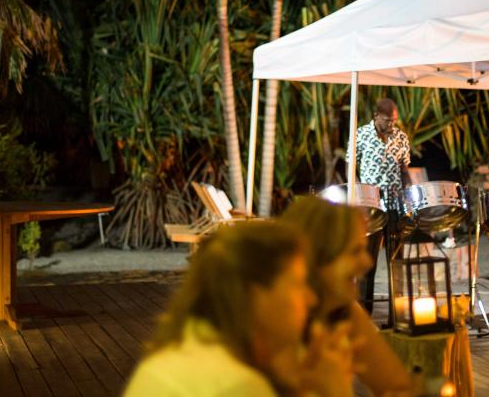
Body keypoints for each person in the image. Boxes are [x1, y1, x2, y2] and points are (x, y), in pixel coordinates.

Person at [123, 222, 353, 396]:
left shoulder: (170, 357)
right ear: (256, 294)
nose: (311, 298)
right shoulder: (238, 385)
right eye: (299, 284)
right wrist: (337, 390)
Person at [282, 196, 414, 396]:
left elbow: (397, 386)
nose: (367, 262)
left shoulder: (344, 312)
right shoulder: (275, 326)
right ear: (317, 257)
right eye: (354, 251)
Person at [346, 97, 411, 313]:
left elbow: (404, 170)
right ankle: (364, 314)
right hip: (370, 206)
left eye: (394, 121)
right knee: (367, 262)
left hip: (393, 204)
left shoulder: (401, 137)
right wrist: (358, 191)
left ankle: (397, 315)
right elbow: (350, 164)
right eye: (387, 121)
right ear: (375, 116)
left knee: (396, 261)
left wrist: (408, 200)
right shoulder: (361, 134)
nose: (391, 125)